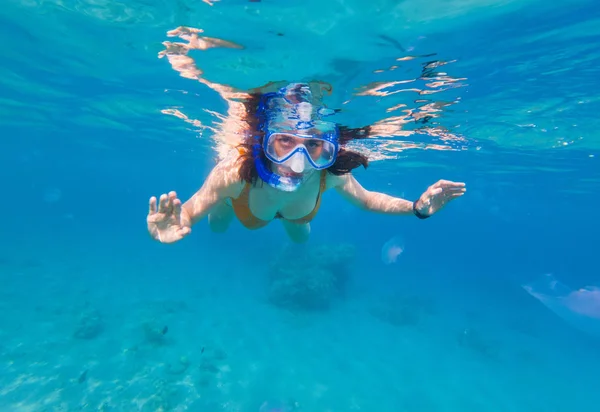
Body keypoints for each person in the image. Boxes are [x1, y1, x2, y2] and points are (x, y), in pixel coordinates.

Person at [147, 82, 466, 244]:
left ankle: (289, 222)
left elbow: (368, 200)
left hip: (297, 214)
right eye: (284, 141)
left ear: (330, 148)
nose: (297, 163)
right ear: (265, 141)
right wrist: (181, 219)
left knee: (301, 237)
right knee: (217, 226)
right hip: (243, 205)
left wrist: (417, 208)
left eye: (314, 146)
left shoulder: (329, 176)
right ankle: (227, 206)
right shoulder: (234, 172)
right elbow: (189, 209)